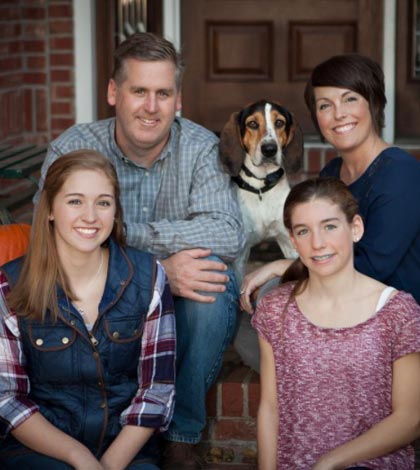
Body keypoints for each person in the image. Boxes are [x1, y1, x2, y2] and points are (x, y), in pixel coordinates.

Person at [34, 32, 244, 469]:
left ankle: (181, 436)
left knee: (211, 281)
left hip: (164, 293)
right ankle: (96, 426)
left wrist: (127, 237)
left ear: (177, 99)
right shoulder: (75, 148)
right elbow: (47, 232)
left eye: (163, 93)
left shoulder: (202, 148)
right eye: (139, 91)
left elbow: (226, 233)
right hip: (96, 291)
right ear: (114, 92)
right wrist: (155, 270)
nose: (151, 107)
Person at [0, 150, 176, 469]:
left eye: (103, 202)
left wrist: (108, 464)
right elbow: (7, 398)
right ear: (50, 209)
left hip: (125, 448)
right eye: (75, 201)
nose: (91, 216)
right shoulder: (9, 285)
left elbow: (156, 390)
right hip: (42, 449)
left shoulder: (149, 277)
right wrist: (78, 457)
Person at [252, 176, 420, 469]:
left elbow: (410, 420)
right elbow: (270, 407)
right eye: (304, 231)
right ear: (292, 241)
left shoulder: (398, 311)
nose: (318, 243)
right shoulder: (275, 309)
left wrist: (330, 463)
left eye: (330, 226)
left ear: (355, 228)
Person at [241, 53, 420, 311]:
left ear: (373, 103)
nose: (339, 114)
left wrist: (284, 266)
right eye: (325, 105)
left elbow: (372, 267)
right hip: (342, 299)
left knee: (277, 297)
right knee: (266, 299)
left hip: (397, 315)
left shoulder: (402, 174)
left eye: (350, 99)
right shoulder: (331, 173)